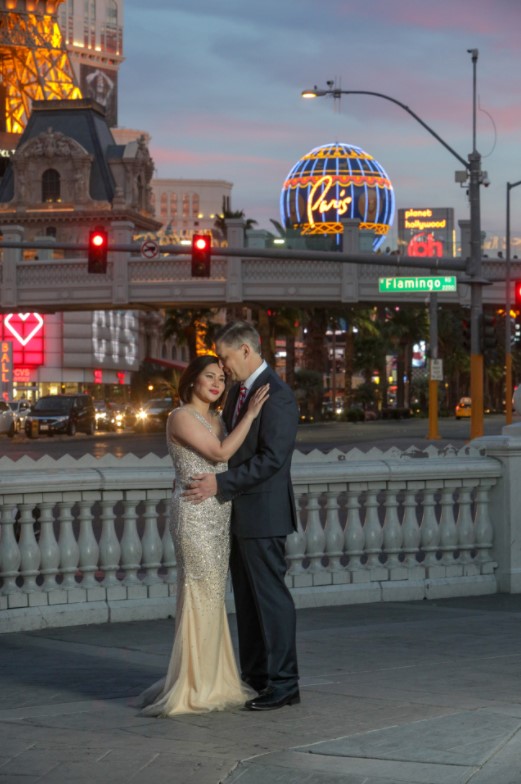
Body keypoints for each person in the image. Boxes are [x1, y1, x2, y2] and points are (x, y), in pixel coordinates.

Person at [137, 354, 269, 717]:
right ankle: (195, 685)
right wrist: (252, 415)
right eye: (209, 376)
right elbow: (222, 452)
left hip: (218, 512)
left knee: (213, 594)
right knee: (198, 591)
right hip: (194, 515)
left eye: (222, 379)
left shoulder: (217, 418)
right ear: (192, 380)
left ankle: (215, 677)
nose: (216, 384)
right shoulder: (181, 417)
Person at [184, 321, 300, 711]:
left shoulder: (278, 396)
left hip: (264, 515)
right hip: (237, 515)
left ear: (246, 351)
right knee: (249, 604)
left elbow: (272, 460)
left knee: (270, 601)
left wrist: (222, 484)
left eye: (227, 357)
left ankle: (285, 684)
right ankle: (256, 678)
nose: (224, 365)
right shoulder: (238, 393)